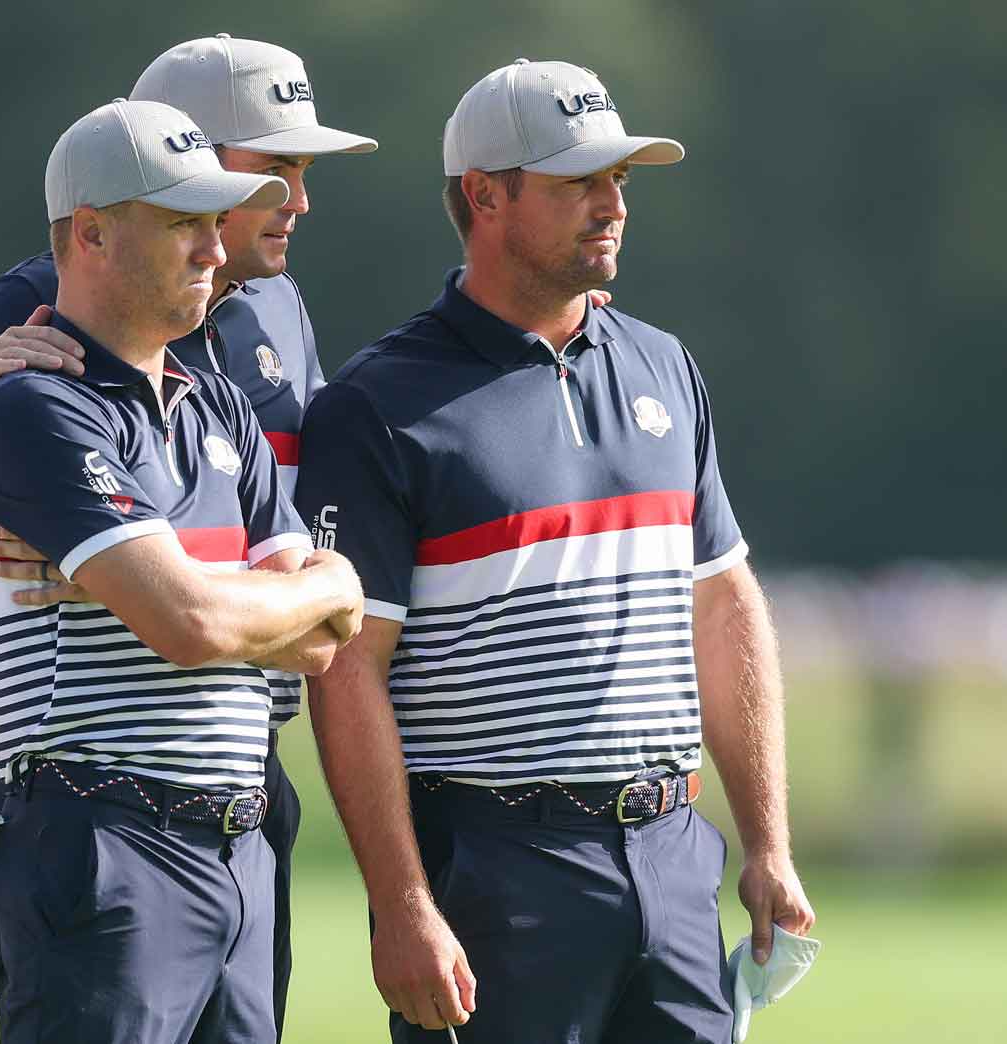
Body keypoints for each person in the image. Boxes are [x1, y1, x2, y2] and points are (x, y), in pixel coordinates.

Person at [295, 60, 816, 1043]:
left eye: (617, 180)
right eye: (578, 182)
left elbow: (722, 601)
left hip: (669, 858)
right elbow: (347, 670)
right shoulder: (376, 405)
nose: (611, 204)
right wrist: (402, 903)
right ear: (485, 197)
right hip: (494, 873)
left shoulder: (663, 364)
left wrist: (767, 841)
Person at [0, 35, 375, 1035]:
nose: (294, 205)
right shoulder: (39, 320)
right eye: (276, 171)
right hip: (101, 801)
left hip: (239, 783)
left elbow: (302, 609)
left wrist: (304, 588)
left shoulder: (269, 315)